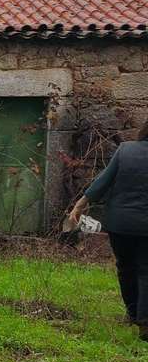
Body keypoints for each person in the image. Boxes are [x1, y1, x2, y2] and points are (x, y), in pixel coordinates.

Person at [67, 119, 148, 340]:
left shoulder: (125, 150)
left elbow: (103, 181)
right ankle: (144, 321)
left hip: (120, 223)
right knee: (145, 269)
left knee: (125, 267)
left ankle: (133, 314)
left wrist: (79, 205)